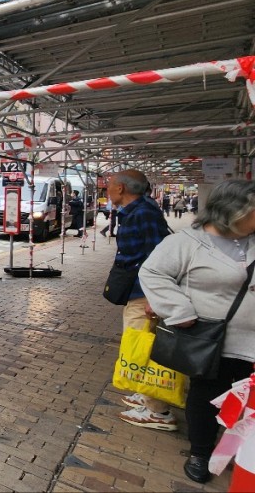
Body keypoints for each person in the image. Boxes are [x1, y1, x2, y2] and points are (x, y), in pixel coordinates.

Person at [139, 180, 255, 483]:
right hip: (209, 341)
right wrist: (179, 310)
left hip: (252, 341)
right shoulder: (186, 243)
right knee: (207, 394)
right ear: (232, 211)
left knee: (247, 403)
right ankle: (201, 452)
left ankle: (239, 452)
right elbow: (152, 273)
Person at [107, 170, 174, 431]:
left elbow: (157, 256)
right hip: (139, 290)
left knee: (141, 346)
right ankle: (144, 392)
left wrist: (154, 297)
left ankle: (158, 411)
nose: (107, 191)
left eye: (109, 186)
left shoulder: (143, 212)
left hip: (143, 292)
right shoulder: (138, 209)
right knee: (137, 342)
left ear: (121, 188)